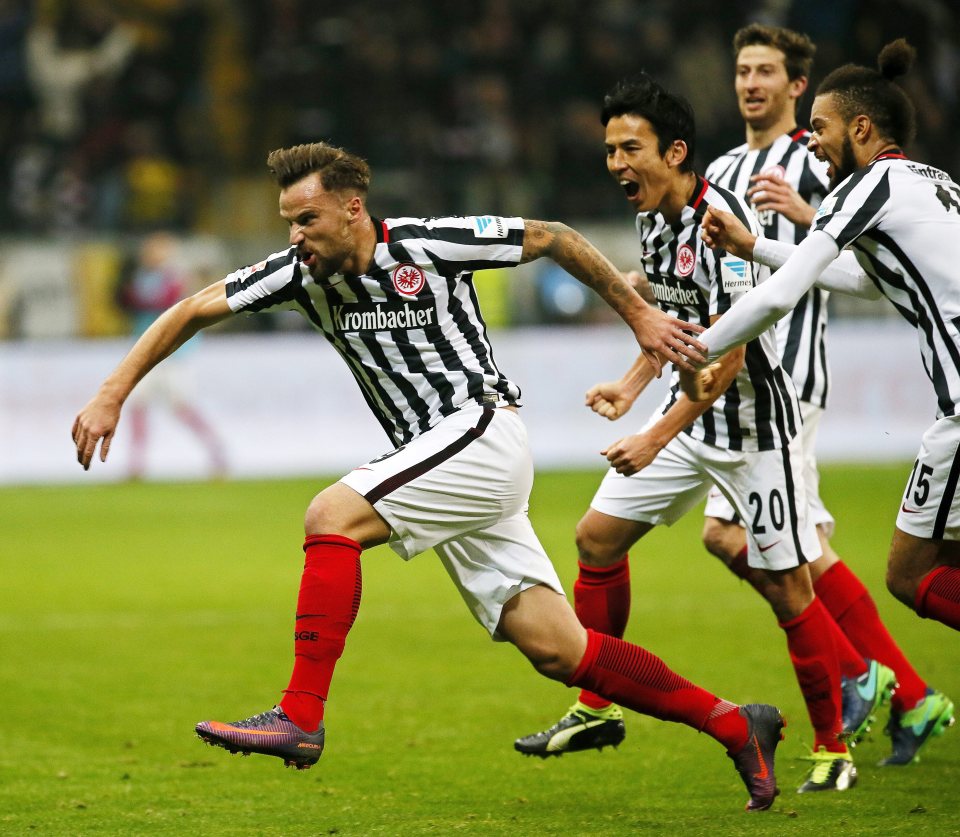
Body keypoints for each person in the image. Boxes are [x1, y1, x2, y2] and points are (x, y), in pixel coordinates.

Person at [71, 141, 787, 812]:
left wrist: (637, 313)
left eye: (307, 219)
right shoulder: (298, 274)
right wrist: (112, 391)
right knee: (558, 648)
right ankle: (734, 723)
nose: (295, 235)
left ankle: (300, 714)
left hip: (481, 430)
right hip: (443, 460)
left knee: (330, 514)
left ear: (353, 207)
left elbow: (555, 235)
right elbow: (193, 308)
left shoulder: (424, 243)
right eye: (288, 221)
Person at [514, 73, 857, 794]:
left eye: (628, 148)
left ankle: (834, 746)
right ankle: (596, 705)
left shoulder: (717, 219)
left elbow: (729, 351)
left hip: (755, 428)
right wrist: (630, 385)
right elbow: (673, 320)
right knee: (595, 538)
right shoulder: (651, 217)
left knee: (787, 586)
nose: (616, 165)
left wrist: (653, 435)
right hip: (688, 410)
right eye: (609, 150)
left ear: (674, 152)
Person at [696, 38, 957, 765]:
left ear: (863, 129)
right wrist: (756, 245)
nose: (813, 137)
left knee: (911, 573)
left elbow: (783, 296)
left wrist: (699, 344)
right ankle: (904, 690)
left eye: (823, 124)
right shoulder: (933, 182)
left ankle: (892, 686)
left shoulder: (862, 187)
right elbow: (866, 283)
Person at [115, 231, 227, 480]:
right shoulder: (143, 277)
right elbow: (128, 301)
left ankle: (215, 450)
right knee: (137, 404)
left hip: (174, 352)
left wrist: (134, 297)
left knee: (182, 406)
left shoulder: (175, 278)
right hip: (146, 353)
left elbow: (161, 301)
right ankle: (136, 463)